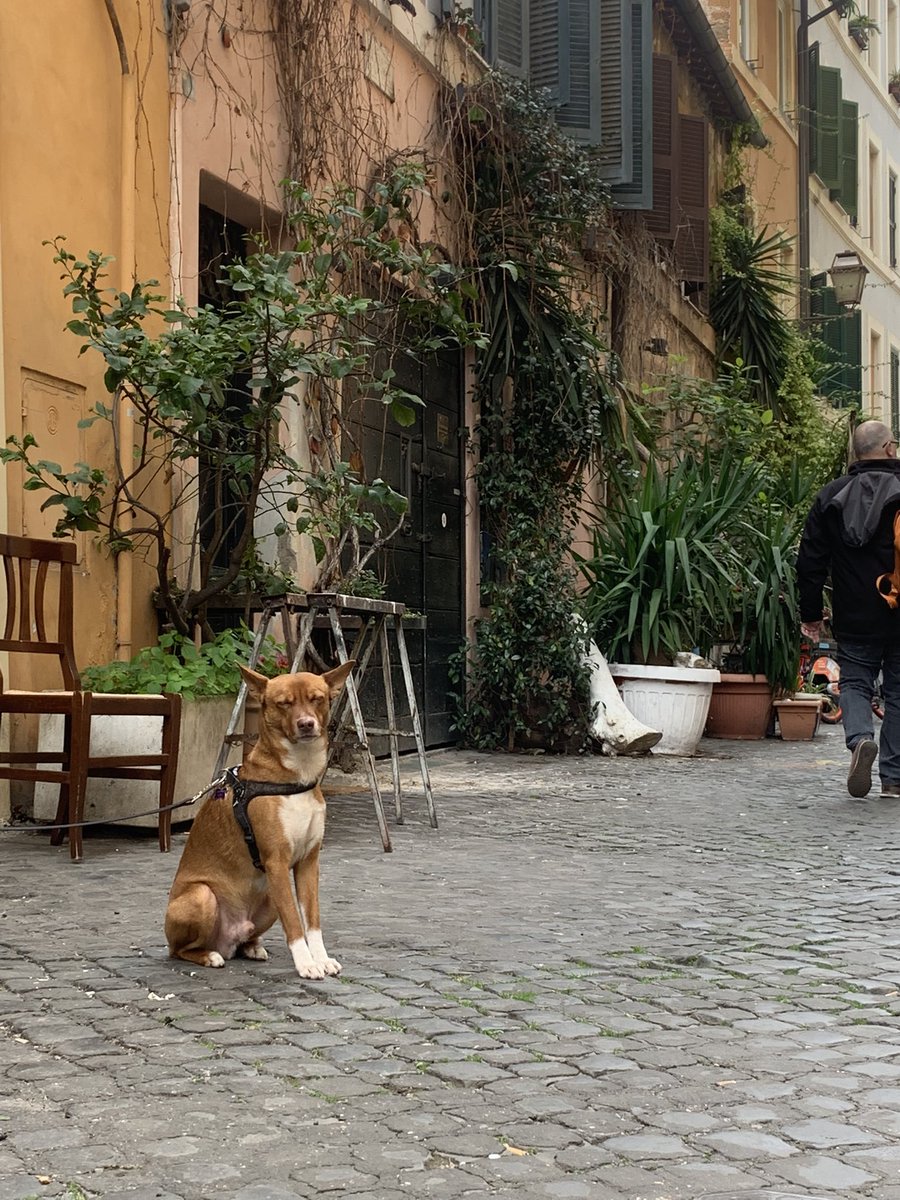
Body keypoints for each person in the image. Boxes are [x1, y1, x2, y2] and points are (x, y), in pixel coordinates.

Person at [797, 419, 900, 799]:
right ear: (889, 448)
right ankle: (894, 779)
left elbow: (810, 561)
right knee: (899, 692)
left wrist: (811, 613)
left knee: (855, 682)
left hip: (854, 611)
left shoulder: (831, 496)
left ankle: (859, 740)